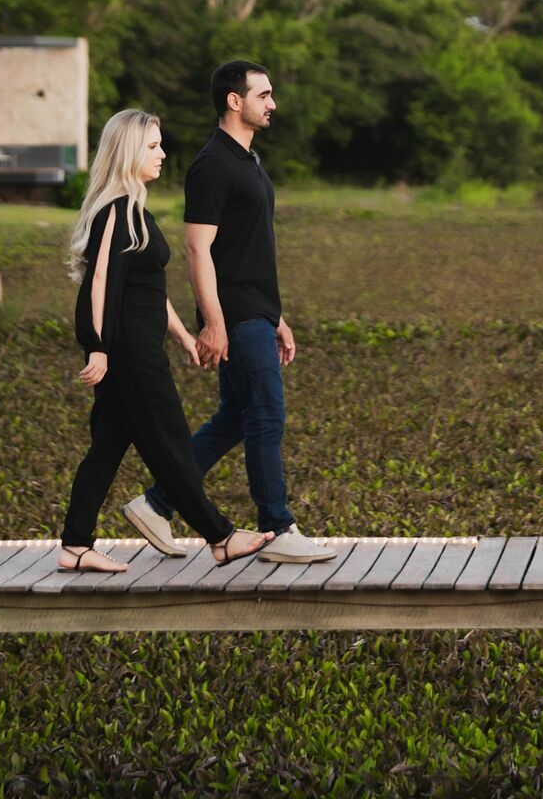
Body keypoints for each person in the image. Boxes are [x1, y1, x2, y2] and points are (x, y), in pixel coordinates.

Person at [125, 61, 336, 564]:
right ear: (234, 101)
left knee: (236, 417)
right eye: (263, 95)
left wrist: (276, 315)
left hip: (255, 312)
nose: (273, 103)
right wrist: (214, 321)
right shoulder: (212, 164)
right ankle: (277, 527)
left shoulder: (249, 160)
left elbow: (250, 248)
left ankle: (156, 504)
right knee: (267, 415)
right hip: (235, 316)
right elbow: (199, 249)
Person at [57, 108, 274, 573]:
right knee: (171, 442)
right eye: (153, 146)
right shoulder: (116, 209)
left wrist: (182, 336)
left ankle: (75, 544)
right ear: (129, 151)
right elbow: (99, 284)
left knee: (108, 447)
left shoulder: (136, 209)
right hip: (130, 354)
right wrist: (96, 344)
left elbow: (149, 290)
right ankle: (221, 537)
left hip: (139, 348)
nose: (162, 153)